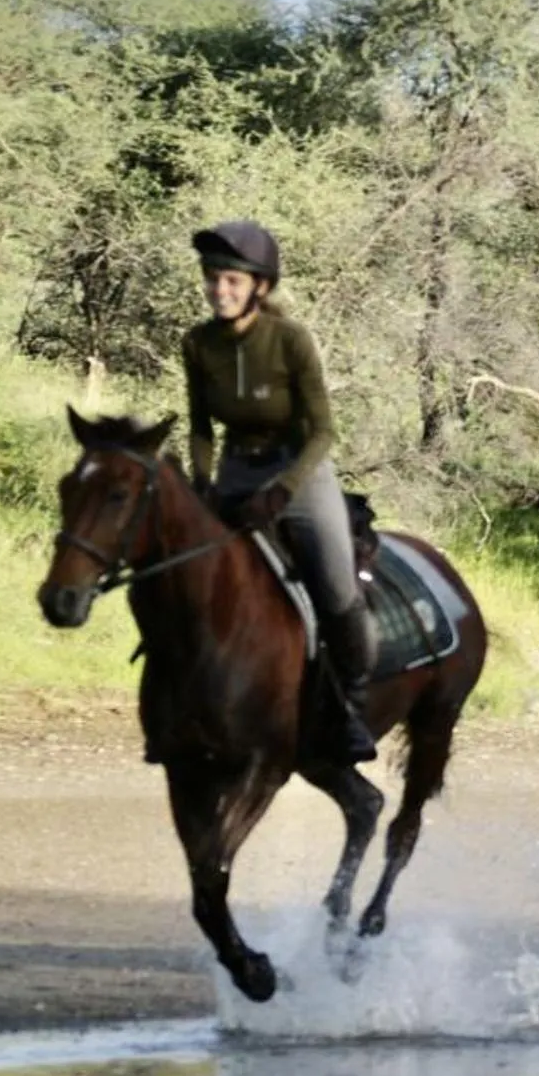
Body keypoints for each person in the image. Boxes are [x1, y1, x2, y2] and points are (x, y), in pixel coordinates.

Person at [182, 220, 380, 764]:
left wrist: (282, 490)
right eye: (212, 278)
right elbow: (201, 427)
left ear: (260, 287)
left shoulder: (291, 340)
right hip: (235, 471)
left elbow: (323, 431)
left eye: (232, 280)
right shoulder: (197, 343)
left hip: (301, 475)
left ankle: (350, 709)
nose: (219, 289)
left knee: (338, 592)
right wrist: (202, 483)